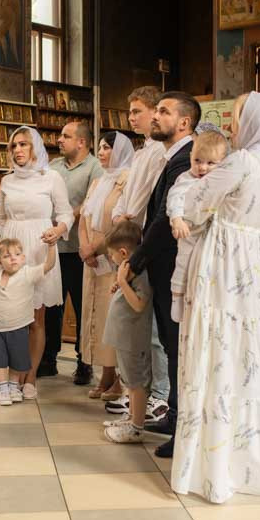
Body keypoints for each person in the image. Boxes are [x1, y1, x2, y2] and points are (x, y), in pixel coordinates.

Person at [173, 91, 260, 503]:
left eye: (238, 118)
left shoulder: (241, 160)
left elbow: (199, 201)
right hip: (254, 261)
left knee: (215, 345)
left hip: (224, 260)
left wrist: (185, 201)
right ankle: (244, 452)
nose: (233, 126)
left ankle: (210, 463)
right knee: (246, 352)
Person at [0, 126, 74, 399]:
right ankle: (12, 377)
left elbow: (66, 213)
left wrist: (58, 230)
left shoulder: (51, 177)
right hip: (12, 248)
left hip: (39, 248)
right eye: (14, 146)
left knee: (35, 319)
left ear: (35, 148)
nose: (18, 150)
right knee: (11, 316)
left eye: (24, 144)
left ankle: (30, 377)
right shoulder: (7, 181)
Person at [128, 91, 199, 458]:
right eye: (156, 110)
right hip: (164, 266)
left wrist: (136, 259)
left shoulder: (186, 159)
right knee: (171, 346)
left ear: (184, 122)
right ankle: (174, 414)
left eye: (163, 111)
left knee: (177, 346)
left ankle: (184, 426)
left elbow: (161, 220)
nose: (155, 116)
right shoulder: (172, 157)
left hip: (174, 266)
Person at [108, 86, 170, 424]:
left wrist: (130, 215)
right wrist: (120, 214)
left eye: (138, 112)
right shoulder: (141, 151)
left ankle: (158, 393)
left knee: (154, 328)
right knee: (135, 327)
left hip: (146, 242)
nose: (132, 117)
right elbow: (129, 192)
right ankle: (135, 392)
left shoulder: (162, 153)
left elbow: (148, 197)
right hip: (131, 236)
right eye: (130, 112)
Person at [43, 121, 104, 384]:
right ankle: (48, 358)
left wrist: (65, 220)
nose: (59, 139)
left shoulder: (95, 167)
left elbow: (91, 203)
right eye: (60, 135)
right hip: (53, 249)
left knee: (81, 307)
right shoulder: (53, 167)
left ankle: (84, 362)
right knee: (52, 305)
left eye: (65, 136)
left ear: (81, 142)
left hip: (79, 250)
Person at [79, 131, 133, 400]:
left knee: (112, 317)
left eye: (107, 147)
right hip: (91, 259)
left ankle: (118, 379)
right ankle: (105, 374)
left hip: (111, 256)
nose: (101, 152)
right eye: (99, 147)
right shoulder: (98, 181)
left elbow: (121, 224)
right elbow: (83, 217)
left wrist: (97, 248)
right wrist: (84, 247)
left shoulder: (127, 179)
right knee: (95, 317)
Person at [0, 238, 57, 405]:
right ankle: (4, 389)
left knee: (17, 360)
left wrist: (52, 246)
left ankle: (14, 386)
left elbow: (49, 265)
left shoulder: (27, 273)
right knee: (0, 362)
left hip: (19, 327)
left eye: (17, 254)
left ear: (23, 258)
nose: (13, 258)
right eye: (7, 256)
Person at [168, 126, 228, 322]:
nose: (202, 168)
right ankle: (177, 295)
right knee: (183, 261)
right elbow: (175, 197)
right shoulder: (186, 178)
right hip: (189, 230)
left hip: (212, 234)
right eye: (197, 161)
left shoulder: (220, 181)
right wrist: (177, 219)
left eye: (211, 163)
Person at [101, 221, 153, 443]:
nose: (111, 259)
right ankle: (131, 417)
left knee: (135, 384)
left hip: (133, 339)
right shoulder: (129, 270)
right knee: (128, 381)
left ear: (123, 253)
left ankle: (137, 427)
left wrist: (122, 282)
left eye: (112, 255)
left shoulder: (140, 272)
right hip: (124, 338)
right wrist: (121, 283)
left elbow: (140, 304)